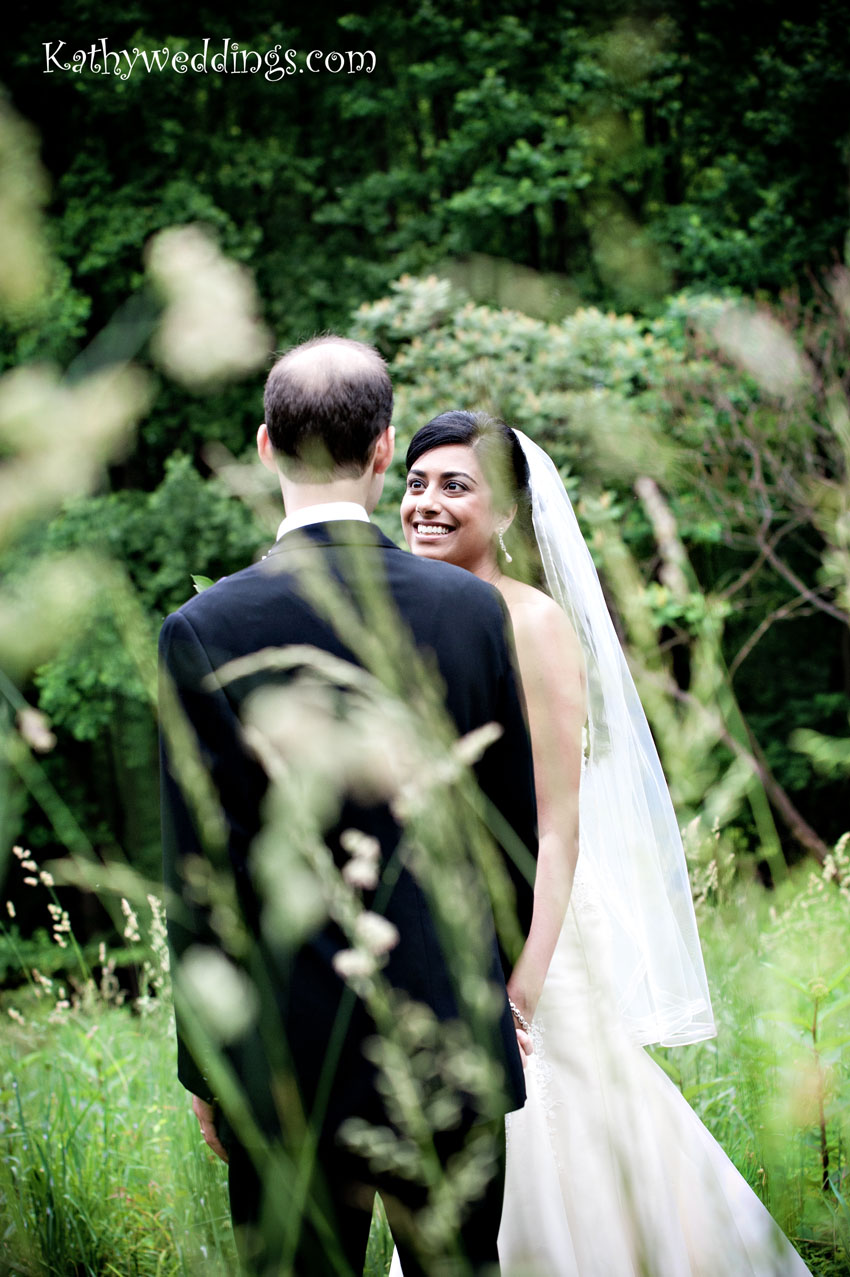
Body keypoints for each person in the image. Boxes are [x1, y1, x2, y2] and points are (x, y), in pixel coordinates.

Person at [396, 409, 812, 1276]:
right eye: (416, 482)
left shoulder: (533, 622)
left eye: (455, 486)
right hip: (440, 924)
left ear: (505, 513)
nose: (426, 502)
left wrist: (521, 988)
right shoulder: (409, 617)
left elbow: (558, 820)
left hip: (535, 931)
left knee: (569, 1121)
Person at [159, 343, 539, 1277]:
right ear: (383, 450)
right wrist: (482, 985)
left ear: (264, 446)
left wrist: (208, 1067)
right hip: (447, 1042)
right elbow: (512, 838)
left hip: (284, 1060)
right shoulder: (470, 610)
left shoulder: (201, 630)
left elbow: (200, 876)